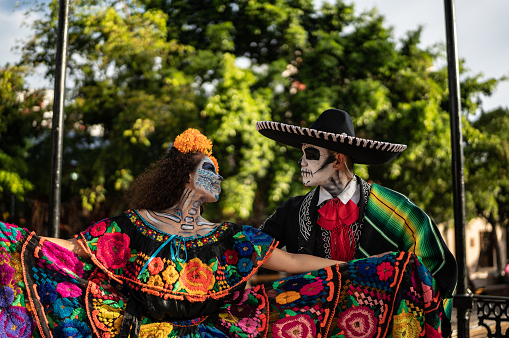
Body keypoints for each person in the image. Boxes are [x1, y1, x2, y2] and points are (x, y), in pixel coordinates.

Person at [0, 128, 444, 337]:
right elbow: (71, 250)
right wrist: (17, 240)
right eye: (209, 170)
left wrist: (366, 271)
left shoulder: (231, 237)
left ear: (340, 160)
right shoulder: (134, 225)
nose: (218, 178)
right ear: (185, 176)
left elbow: (290, 263)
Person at [256, 108, 457, 336]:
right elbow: (254, 252)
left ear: (338, 161)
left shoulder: (394, 209)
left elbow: (435, 264)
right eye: (302, 154)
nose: (301, 162)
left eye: (310, 154)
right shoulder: (292, 211)